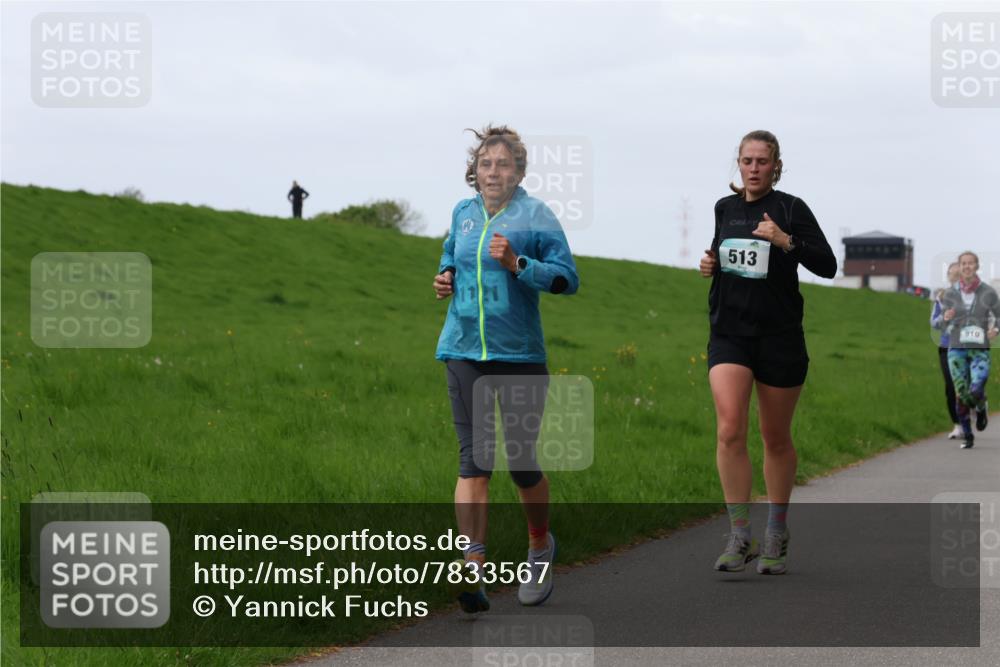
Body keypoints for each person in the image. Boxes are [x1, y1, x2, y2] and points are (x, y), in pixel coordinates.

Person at [433, 125, 579, 612]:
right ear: (474, 171)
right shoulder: (463, 212)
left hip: (519, 356)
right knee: (474, 459)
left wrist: (520, 265)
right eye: (485, 164)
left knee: (520, 463)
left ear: (518, 172)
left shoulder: (536, 215)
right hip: (463, 349)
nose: (493, 172)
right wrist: (447, 275)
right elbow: (451, 253)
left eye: (503, 164)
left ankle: (539, 546)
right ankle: (471, 565)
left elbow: (567, 279)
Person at [698, 130, 836, 575]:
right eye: (747, 160)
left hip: (779, 336)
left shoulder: (791, 208)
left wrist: (785, 241)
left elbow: (828, 265)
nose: (754, 168)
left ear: (776, 166)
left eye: (762, 161)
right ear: (737, 164)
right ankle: (740, 535)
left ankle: (776, 530)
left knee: (775, 437)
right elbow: (726, 256)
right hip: (730, 333)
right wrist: (711, 264)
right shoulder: (725, 208)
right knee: (729, 428)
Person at [940, 251, 1000, 449]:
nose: (966, 266)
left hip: (980, 348)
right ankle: (967, 434)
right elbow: (938, 324)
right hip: (956, 349)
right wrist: (945, 318)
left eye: (970, 263)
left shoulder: (988, 292)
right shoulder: (949, 294)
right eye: (963, 263)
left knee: (976, 387)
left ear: (976, 266)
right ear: (959, 266)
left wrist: (996, 329)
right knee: (961, 392)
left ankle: (981, 407)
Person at [931, 262, 963, 439]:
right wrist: (943, 318)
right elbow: (933, 322)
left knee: (966, 388)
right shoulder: (941, 297)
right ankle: (958, 425)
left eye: (959, 275)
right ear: (948, 276)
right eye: (953, 275)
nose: (956, 278)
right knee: (950, 388)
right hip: (946, 346)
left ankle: (977, 407)